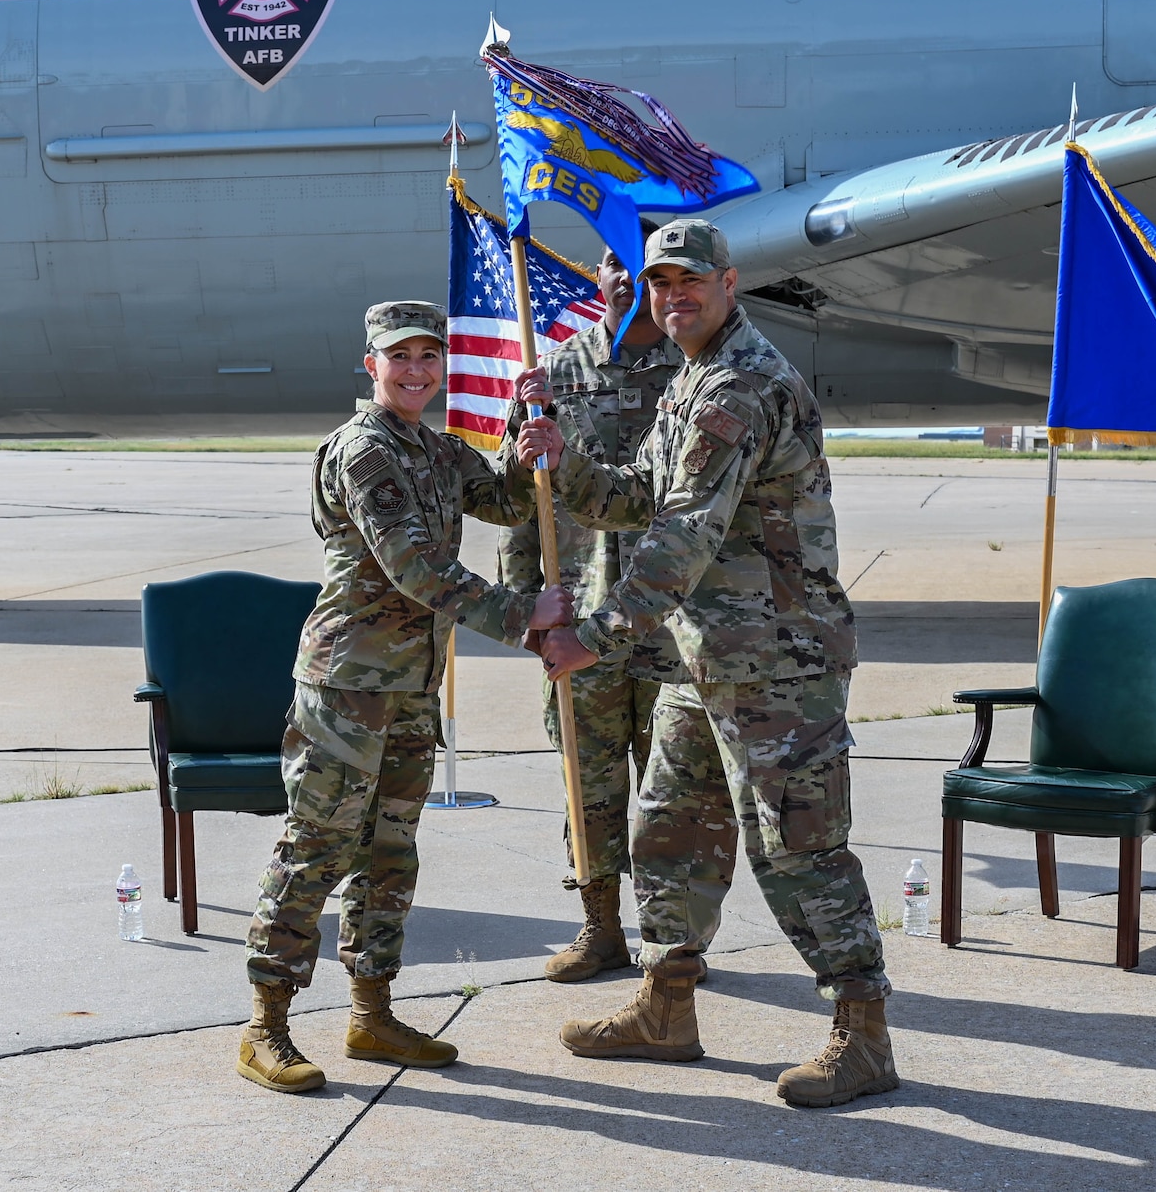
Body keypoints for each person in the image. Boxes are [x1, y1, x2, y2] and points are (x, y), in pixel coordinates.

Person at [515, 219, 897, 1109]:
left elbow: (680, 536)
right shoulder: (692, 380)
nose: (672, 296)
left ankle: (864, 1029)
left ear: (728, 284)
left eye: (689, 280)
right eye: (659, 283)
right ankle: (665, 1005)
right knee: (669, 828)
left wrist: (595, 634)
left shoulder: (738, 388)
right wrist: (565, 466)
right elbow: (642, 494)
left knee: (800, 848)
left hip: (779, 664)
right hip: (706, 657)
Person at [239, 300, 572, 1095]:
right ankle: (266, 1024)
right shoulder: (365, 453)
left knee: (390, 852)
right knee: (317, 846)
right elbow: (416, 568)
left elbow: (508, 501)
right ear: (372, 366)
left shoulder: (434, 449)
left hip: (412, 685)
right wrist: (524, 616)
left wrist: (531, 442)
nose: (417, 370)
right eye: (401, 357)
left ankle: (371, 1013)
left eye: (429, 356)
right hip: (348, 685)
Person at [497, 246, 682, 983]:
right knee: (589, 781)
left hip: (676, 621)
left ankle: (672, 944)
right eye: (612, 258)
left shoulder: (694, 371)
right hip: (580, 617)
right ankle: (601, 928)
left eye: (642, 262)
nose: (625, 274)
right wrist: (526, 608)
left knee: (674, 792)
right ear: (597, 274)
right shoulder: (554, 375)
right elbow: (520, 501)